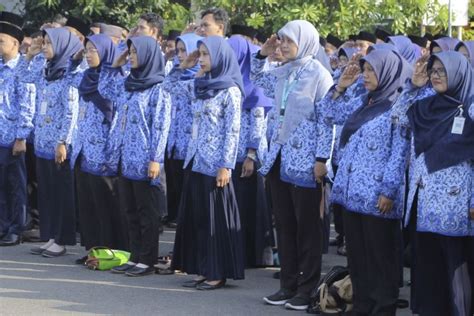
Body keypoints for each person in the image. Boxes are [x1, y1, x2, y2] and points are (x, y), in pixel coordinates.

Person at [322, 49, 411, 315]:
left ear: (387, 72)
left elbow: (400, 151)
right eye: (366, 70)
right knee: (358, 258)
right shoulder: (364, 101)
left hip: (378, 197)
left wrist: (389, 190)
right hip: (352, 195)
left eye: (372, 70)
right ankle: (362, 305)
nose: (366, 76)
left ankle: (383, 308)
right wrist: (340, 87)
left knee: (380, 259)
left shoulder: (399, 105)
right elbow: (328, 114)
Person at [254, 20, 333, 310]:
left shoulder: (319, 75)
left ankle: (307, 288)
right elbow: (257, 78)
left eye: (289, 41)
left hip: (306, 164)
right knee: (285, 226)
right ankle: (286, 285)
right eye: (281, 40)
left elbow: (327, 122)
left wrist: (322, 159)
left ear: (306, 42)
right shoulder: (283, 72)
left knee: (308, 230)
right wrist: (262, 54)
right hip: (279, 158)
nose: (283, 46)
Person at [170, 36, 244, 290]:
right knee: (198, 219)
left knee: (214, 222)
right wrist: (182, 67)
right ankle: (201, 269)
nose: (201, 59)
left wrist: (226, 165)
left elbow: (232, 131)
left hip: (214, 165)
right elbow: (168, 88)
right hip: (194, 160)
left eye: (205, 54)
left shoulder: (230, 91)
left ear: (220, 57)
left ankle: (216, 272)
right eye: (199, 54)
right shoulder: (199, 85)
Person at [406, 51, 474, 316]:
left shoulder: (469, 105)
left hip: (457, 206)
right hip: (426, 202)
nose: (436, 76)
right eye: (434, 71)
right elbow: (399, 117)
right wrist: (413, 86)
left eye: (442, 71)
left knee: (457, 272)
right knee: (429, 270)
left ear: (458, 73)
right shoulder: (427, 103)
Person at [98, 36, 171, 277]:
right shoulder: (128, 83)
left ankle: (147, 260)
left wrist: (155, 159)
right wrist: (116, 64)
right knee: (129, 210)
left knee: (146, 212)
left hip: (144, 160)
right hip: (124, 158)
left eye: (135, 53)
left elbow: (161, 126)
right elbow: (104, 88)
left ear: (149, 55)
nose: (132, 56)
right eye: (130, 52)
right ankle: (134, 256)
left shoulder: (158, 89)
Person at [19, 27, 82, 257]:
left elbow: (71, 111)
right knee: (46, 193)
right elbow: (22, 77)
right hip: (43, 142)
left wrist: (63, 141)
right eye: (43, 42)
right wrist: (28, 56)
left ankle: (62, 239)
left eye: (48, 43)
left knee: (61, 193)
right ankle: (50, 235)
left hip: (59, 144)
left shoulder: (68, 74)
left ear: (62, 46)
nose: (44, 46)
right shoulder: (46, 69)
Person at [68, 33, 128, 264]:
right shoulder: (86, 76)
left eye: (93, 50)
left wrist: (111, 154)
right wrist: (74, 60)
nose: (88, 54)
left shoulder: (113, 79)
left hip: (103, 155)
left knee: (106, 206)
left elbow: (116, 120)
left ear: (105, 52)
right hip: (84, 152)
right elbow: (66, 78)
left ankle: (111, 251)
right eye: (87, 50)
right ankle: (93, 250)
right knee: (89, 205)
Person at [227, 34, 273, 267]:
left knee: (248, 206)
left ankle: (252, 255)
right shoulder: (230, 81)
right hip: (231, 153)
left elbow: (258, 122)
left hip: (248, 154)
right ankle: (237, 252)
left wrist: (251, 155)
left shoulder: (252, 85)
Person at [0, 13, 35, 246]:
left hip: (12, 138)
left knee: (15, 185)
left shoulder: (23, 69)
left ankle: (16, 228)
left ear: (15, 43)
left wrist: (21, 136)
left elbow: (27, 104)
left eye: (1, 40)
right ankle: (3, 225)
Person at [162, 32, 203, 227]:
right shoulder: (179, 78)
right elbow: (166, 86)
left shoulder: (200, 81)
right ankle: (173, 216)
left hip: (191, 146)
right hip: (173, 143)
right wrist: (180, 68)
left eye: (184, 50)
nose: (180, 55)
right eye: (178, 50)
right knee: (174, 186)